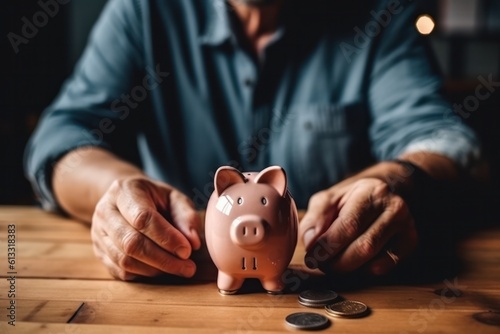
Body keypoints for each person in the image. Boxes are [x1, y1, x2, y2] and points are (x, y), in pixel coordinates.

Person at [24, 0, 480, 281]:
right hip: (181, 285)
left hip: (338, 283)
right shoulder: (143, 10)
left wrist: (395, 179)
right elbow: (61, 136)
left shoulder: (380, 14)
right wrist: (117, 192)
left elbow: (442, 138)